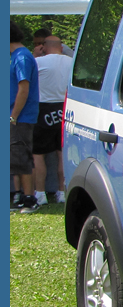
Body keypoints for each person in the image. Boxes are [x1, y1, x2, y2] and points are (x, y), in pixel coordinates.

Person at [32, 34, 72, 205]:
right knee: (61, 153)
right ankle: (62, 191)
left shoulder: (39, 62)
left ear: (44, 47)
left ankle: (40, 193)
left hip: (44, 107)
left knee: (38, 154)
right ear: (61, 47)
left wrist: (35, 56)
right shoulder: (71, 62)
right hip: (64, 107)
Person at [10, 20, 40, 213]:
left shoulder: (22, 57)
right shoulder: (14, 56)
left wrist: (13, 116)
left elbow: (23, 89)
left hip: (21, 116)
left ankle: (30, 199)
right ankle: (19, 195)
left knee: (22, 156)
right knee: (14, 156)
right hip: (15, 115)